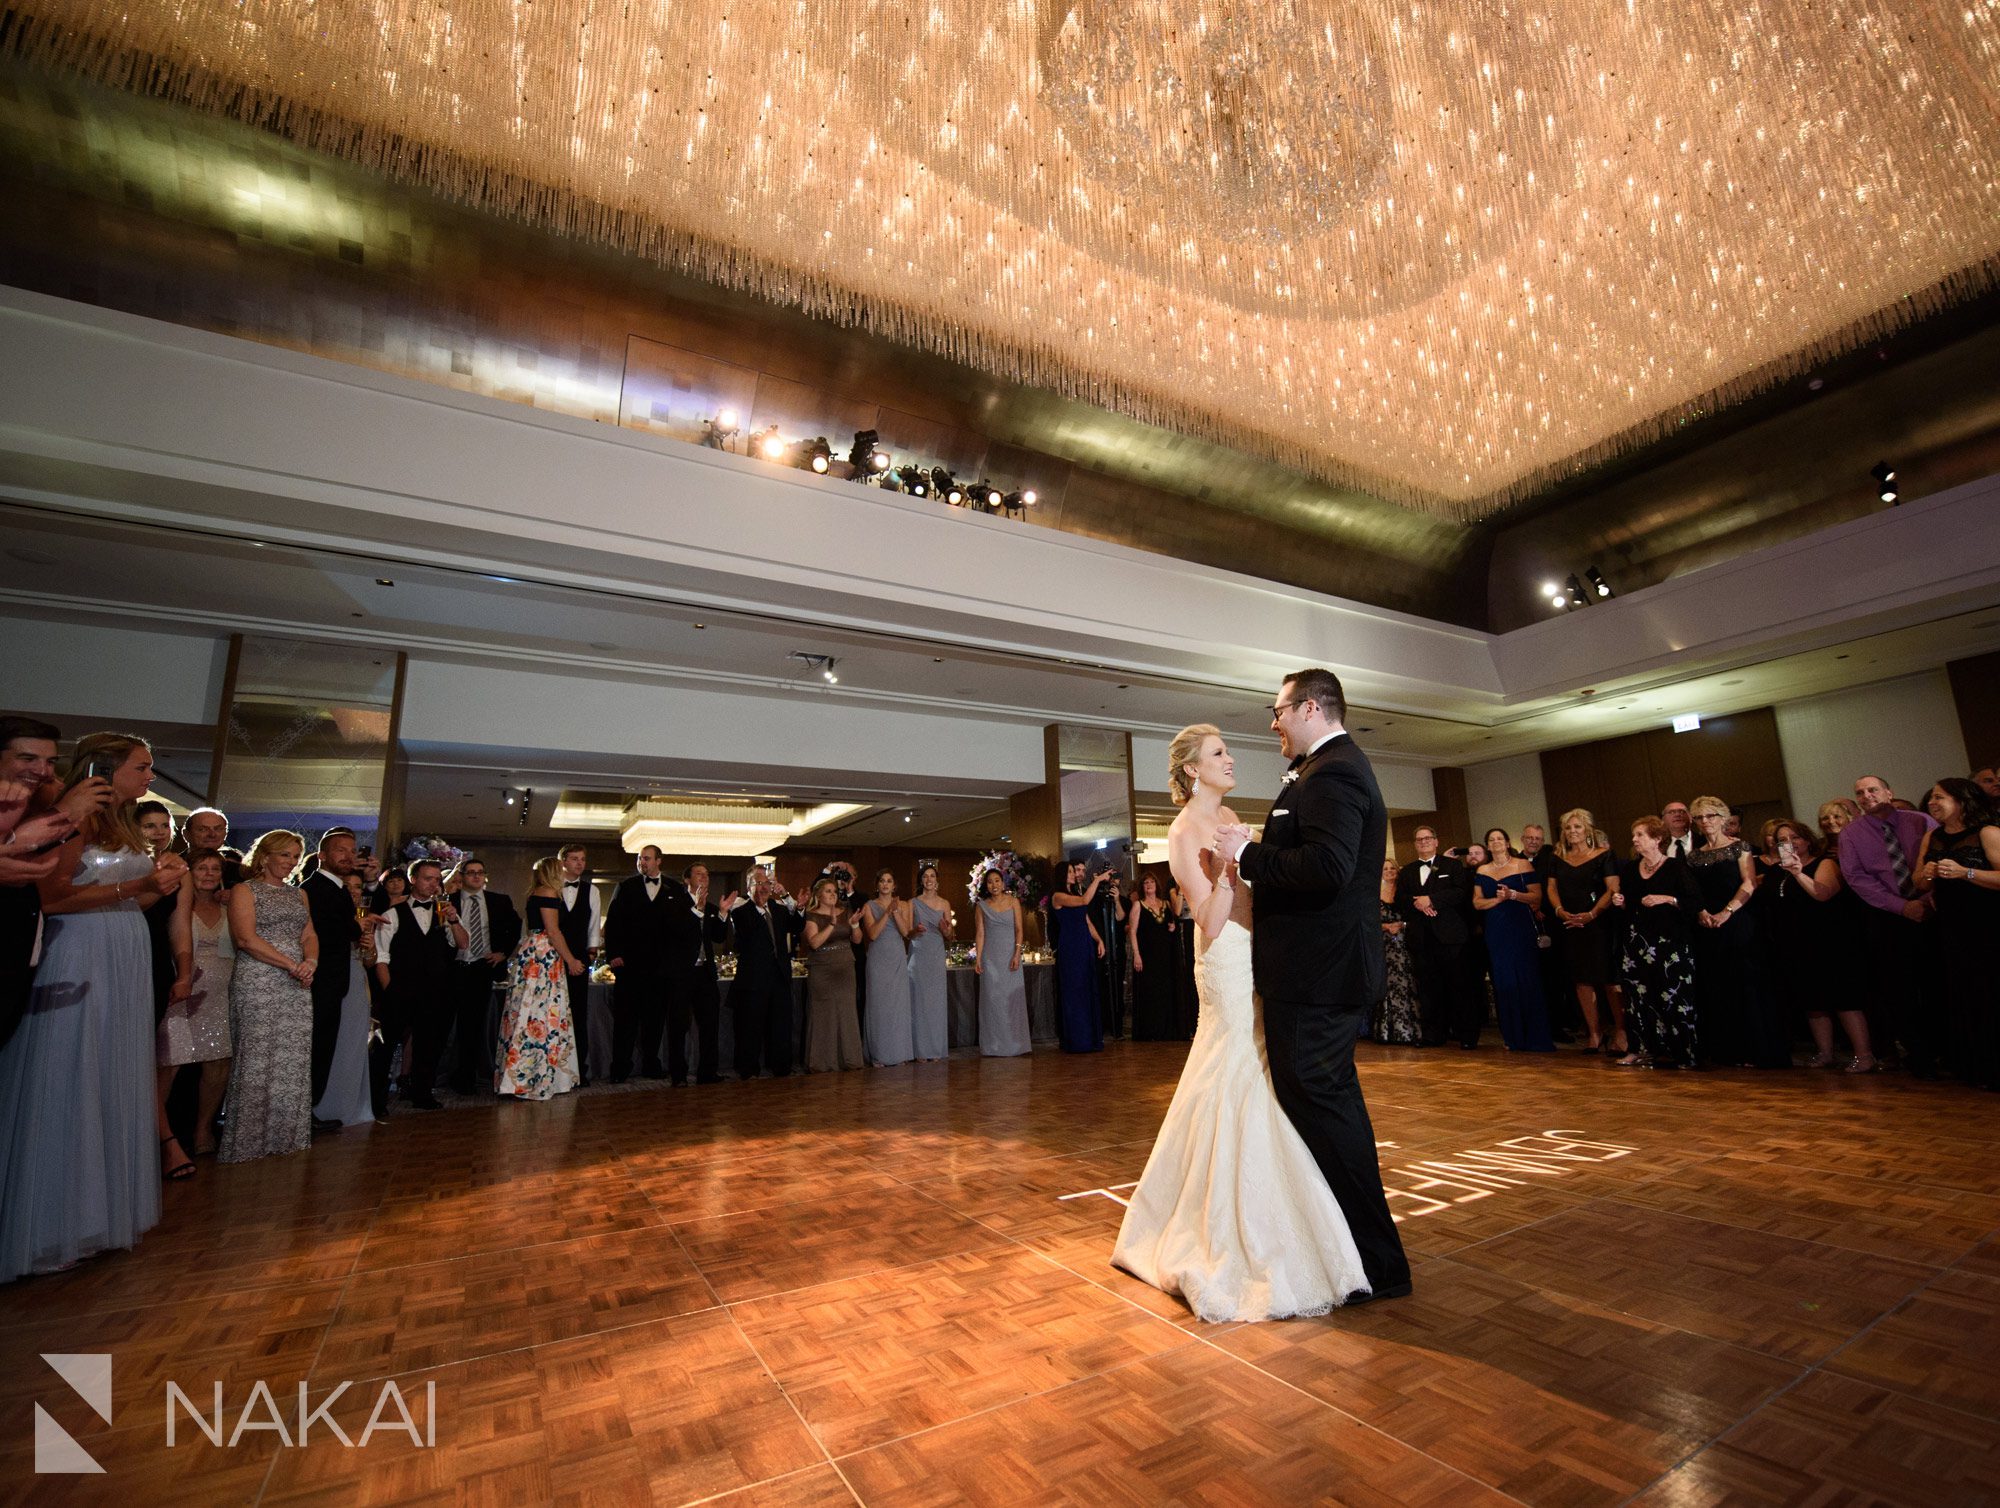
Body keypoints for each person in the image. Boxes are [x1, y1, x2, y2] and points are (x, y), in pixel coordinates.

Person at [1115, 721, 1371, 1320]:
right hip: (1226, 962)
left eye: (1227, 751)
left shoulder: (1232, 822)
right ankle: (1228, 1224)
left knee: (1267, 1074)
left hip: (1261, 956)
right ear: (1191, 771)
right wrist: (1231, 872)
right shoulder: (1182, 831)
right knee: (1235, 1075)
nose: (1232, 760)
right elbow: (1205, 917)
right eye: (1219, 753)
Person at [1215, 668, 1412, 1303]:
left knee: (1323, 1107)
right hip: (1313, 971)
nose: (1271, 722)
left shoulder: (1337, 771)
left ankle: (1376, 1261)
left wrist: (1247, 855)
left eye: (1277, 711)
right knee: (1323, 1105)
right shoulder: (1319, 771)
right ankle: (1350, 1250)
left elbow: (1327, 868)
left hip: (1320, 974)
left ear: (1308, 708)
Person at [0, 733, 183, 1281]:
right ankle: (51, 1225)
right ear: (106, 770)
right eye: (142, 767)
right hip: (78, 954)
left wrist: (158, 885)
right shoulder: (74, 821)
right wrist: (139, 888)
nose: (150, 778)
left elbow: (137, 894)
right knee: (73, 1072)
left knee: (110, 1073)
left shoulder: (124, 825)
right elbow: (52, 898)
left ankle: (93, 1217)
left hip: (122, 950)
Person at [220, 829, 317, 1161]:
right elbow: (245, 939)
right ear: (265, 856)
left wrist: (310, 962)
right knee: (257, 1058)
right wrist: (291, 965)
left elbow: (309, 933)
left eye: (295, 856)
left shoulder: (298, 895)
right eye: (285, 855)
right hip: (259, 979)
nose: (290, 862)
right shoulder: (244, 890)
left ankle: (285, 1138)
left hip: (297, 982)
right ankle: (248, 1144)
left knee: (292, 1059)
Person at [1842, 775, 1941, 1075]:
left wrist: (1925, 901)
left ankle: (1947, 1049)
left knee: (1937, 984)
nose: (1866, 796)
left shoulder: (1920, 821)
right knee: (1900, 990)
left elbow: (1942, 857)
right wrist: (1902, 906)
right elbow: (1857, 877)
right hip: (1887, 917)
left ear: (1888, 791)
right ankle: (1919, 1056)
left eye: (1872, 790)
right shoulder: (1851, 833)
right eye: (1860, 792)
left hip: (1932, 910)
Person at [1763, 818, 1875, 1072]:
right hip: (1796, 943)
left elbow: (1822, 894)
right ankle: (1825, 1053)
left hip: (1828, 941)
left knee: (1844, 1000)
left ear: (1808, 840)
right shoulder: (1778, 870)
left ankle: (1864, 1055)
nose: (1789, 843)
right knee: (1813, 1002)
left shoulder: (1824, 863)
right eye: (1782, 840)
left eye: (1794, 838)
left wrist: (1797, 872)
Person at [0, 716, 81, 1050]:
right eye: (28, 758)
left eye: (49, 762)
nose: (44, 771)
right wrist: (65, 812)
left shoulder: (28, 804)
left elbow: (39, 866)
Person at [1685, 795, 1785, 1068]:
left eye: (1711, 816)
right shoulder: (1693, 856)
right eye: (1700, 817)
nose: (1705, 822)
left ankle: (1756, 1049)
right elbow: (1691, 891)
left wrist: (1726, 912)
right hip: (1707, 925)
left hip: (1738, 920)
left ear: (1723, 818)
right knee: (1718, 985)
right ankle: (1729, 1049)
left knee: (1746, 984)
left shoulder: (1739, 847)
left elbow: (1749, 883)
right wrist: (1702, 913)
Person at [1914, 779, 2000, 1088]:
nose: (1932, 802)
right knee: (1965, 996)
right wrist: (1925, 874)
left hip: (1989, 927)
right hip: (1951, 928)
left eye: (1940, 797)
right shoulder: (1932, 837)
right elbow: (1919, 883)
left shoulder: (1987, 833)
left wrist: (1967, 873)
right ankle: (1976, 1067)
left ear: (1962, 800)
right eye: (1932, 797)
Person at [371, 859, 468, 1113]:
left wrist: (455, 920)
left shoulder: (444, 913)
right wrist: (390, 991)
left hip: (435, 992)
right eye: (428, 878)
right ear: (413, 879)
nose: (433, 884)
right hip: (399, 990)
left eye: (437, 879)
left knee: (428, 1045)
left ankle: (422, 1094)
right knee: (387, 1046)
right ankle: (377, 1100)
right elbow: (381, 957)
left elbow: (463, 945)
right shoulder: (393, 913)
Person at [1612, 818, 1703, 1069]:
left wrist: (1667, 898)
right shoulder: (1630, 869)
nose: (1635, 839)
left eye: (1640, 834)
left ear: (1657, 839)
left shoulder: (1675, 867)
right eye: (1634, 835)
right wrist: (1620, 901)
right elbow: (1628, 903)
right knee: (1638, 997)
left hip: (1669, 943)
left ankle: (1684, 1052)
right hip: (1637, 941)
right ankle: (1641, 1049)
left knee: (1674, 996)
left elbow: (1693, 902)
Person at [160, 853, 234, 1156]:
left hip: (220, 992)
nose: (209, 873)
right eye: (201, 868)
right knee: (170, 1060)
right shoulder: (178, 904)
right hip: (184, 988)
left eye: (215, 868)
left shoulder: (229, 906)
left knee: (217, 1062)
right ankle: (159, 1134)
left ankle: (203, 1128)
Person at [135, 800, 195, 1176]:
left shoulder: (180, 867)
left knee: (150, 1056)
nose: (159, 832)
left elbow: (180, 925)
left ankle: (155, 1141)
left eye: (164, 825)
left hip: (157, 961)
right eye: (149, 825)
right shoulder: (125, 863)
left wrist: (184, 972)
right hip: (124, 952)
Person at [497, 856, 580, 1099]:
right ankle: (537, 1075)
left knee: (527, 1010)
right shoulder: (548, 893)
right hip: (543, 956)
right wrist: (571, 960)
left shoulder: (536, 891)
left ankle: (522, 1073)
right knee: (541, 1011)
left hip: (532, 952)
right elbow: (553, 931)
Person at [297, 828, 363, 1132]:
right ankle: (303, 1114)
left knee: (324, 1046)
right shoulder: (316, 888)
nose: (348, 856)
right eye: (340, 850)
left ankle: (308, 1110)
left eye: (352, 850)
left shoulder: (336, 888)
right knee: (315, 1047)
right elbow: (339, 931)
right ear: (322, 855)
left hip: (333, 980)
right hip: (319, 980)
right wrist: (357, 929)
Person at [1548, 808, 1625, 1054]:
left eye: (1577, 827)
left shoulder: (1604, 855)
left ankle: (1622, 1032)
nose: (1572, 832)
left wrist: (1592, 914)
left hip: (1599, 923)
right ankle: (1594, 1032)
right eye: (1568, 828)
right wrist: (1560, 911)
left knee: (1609, 979)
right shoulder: (1557, 857)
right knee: (1581, 979)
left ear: (1588, 830)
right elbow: (1551, 888)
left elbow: (1612, 888)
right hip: (1570, 923)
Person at [1396, 825, 1478, 1048]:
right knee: (1429, 990)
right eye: (1419, 839)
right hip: (1421, 938)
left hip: (1450, 937)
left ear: (1436, 841)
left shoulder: (1452, 865)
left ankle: (1467, 1035)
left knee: (1459, 986)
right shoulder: (1408, 871)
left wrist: (1431, 900)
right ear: (1415, 844)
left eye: (1427, 838)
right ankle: (1434, 1034)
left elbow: (1460, 892)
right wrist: (1419, 904)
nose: (1423, 842)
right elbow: (1400, 899)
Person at [1472, 828, 1554, 1052]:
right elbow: (1477, 903)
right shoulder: (1482, 870)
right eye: (1492, 839)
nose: (1496, 842)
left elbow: (1537, 896)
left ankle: (1536, 1036)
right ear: (1487, 845)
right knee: (1504, 981)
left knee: (1527, 979)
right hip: (1496, 930)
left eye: (1500, 838)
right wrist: (1497, 901)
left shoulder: (1522, 865)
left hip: (1520, 926)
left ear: (1508, 843)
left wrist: (1513, 895)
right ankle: (1513, 1036)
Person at [604, 846, 680, 1082]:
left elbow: (680, 927)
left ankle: (651, 1064)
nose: (642, 862)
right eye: (639, 859)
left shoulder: (674, 889)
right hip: (630, 966)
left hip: (660, 969)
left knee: (654, 1021)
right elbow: (613, 922)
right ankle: (620, 1068)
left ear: (659, 861)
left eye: (646, 859)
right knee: (625, 1021)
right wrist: (614, 953)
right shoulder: (626, 887)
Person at [444, 857, 518, 1094]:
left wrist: (503, 953)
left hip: (481, 968)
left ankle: (467, 1079)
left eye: (480, 872)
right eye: (471, 873)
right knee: (443, 1025)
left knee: (473, 1027)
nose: (476, 876)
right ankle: (436, 1077)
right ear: (462, 876)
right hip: (452, 968)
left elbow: (515, 927)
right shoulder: (449, 901)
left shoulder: (499, 901)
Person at [730, 869, 802, 1077]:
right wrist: (759, 905)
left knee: (780, 1025)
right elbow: (745, 938)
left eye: (767, 883)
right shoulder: (741, 911)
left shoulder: (779, 909)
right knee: (750, 1027)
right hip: (753, 980)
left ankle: (781, 1066)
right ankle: (748, 1069)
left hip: (779, 977)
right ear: (749, 887)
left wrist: (789, 897)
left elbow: (798, 925)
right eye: (757, 883)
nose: (763, 887)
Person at [670, 863, 733, 1085]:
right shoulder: (675, 903)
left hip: (705, 974)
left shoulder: (712, 907)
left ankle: (708, 1072)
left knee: (709, 1024)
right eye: (699, 874)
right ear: (687, 879)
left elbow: (717, 938)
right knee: (679, 1025)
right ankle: (678, 1075)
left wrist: (723, 914)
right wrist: (696, 909)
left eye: (707, 874)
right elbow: (676, 934)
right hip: (682, 974)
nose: (704, 878)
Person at [801, 877, 864, 1072]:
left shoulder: (846, 911)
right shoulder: (811, 915)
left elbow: (858, 940)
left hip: (845, 967)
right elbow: (814, 943)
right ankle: (822, 1062)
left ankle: (850, 1059)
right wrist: (831, 925)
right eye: (828, 891)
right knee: (823, 1015)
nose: (833, 894)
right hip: (822, 969)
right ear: (819, 895)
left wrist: (854, 925)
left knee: (846, 1013)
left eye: (834, 891)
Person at [552, 845, 602, 1085]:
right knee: (553, 1013)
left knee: (578, 1014)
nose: (579, 864)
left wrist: (591, 951)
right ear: (563, 861)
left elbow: (594, 923)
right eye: (574, 859)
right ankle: (552, 1069)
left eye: (583, 859)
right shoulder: (550, 888)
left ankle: (579, 1070)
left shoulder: (591, 890)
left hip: (580, 956)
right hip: (551, 957)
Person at [859, 868, 915, 1067]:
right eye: (882, 881)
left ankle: (898, 1052)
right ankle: (879, 1053)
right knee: (879, 1005)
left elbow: (906, 932)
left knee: (898, 1006)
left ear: (894, 885)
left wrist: (896, 911)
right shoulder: (868, 906)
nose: (885, 884)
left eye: (889, 881)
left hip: (897, 957)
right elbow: (872, 934)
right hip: (877, 958)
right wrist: (887, 913)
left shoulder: (904, 905)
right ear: (877, 885)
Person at [1049, 859, 1107, 1052]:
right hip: (1071, 946)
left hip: (1084, 943)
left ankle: (1090, 1038)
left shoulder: (1075, 892)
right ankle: (1076, 1039)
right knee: (1074, 992)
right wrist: (1097, 880)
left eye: (1073, 871)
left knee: (1087, 988)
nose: (1074, 874)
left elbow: (1087, 921)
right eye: (1070, 871)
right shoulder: (1057, 896)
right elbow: (1084, 902)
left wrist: (1099, 940)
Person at [974, 867, 1031, 1056]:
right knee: (993, 1000)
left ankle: (1016, 1045)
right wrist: (979, 958)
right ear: (986, 886)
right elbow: (980, 933)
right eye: (990, 881)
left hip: (1010, 956)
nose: (994, 884)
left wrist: (1017, 953)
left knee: (1011, 1000)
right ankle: (993, 1045)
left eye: (997, 880)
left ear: (1003, 882)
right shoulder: (981, 905)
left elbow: (1019, 929)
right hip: (991, 958)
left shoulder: (1013, 902)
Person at [1373, 858, 1422, 1044]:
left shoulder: (1405, 893)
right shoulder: (1374, 894)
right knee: (1387, 985)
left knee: (1409, 983)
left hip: (1406, 943)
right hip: (1384, 945)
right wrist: (1386, 927)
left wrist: (1403, 924)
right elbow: (1369, 922)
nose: (1389, 871)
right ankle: (1389, 1032)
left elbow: (1416, 916)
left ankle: (1410, 1031)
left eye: (1392, 868)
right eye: (1385, 868)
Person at [1126, 871, 1178, 1041]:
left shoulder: (1166, 904)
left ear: (1157, 885)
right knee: (1150, 993)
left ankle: (1165, 1029)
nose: (1149, 885)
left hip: (1164, 955)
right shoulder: (1138, 905)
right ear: (1142, 887)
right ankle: (1150, 1031)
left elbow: (1172, 922)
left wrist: (1171, 928)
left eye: (1152, 882)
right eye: (1146, 883)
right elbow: (1132, 932)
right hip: (1147, 956)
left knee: (1165, 991)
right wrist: (1137, 955)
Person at [907, 864, 951, 1060]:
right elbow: (907, 933)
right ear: (921, 880)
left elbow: (951, 935)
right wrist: (915, 930)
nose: (929, 879)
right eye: (925, 876)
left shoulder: (944, 904)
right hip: (918, 955)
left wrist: (945, 930)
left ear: (937, 880)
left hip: (935, 954)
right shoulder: (912, 903)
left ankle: (935, 1050)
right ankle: (919, 1051)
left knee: (935, 1003)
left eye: (932, 876)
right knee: (918, 1002)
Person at [1091, 868, 1129, 1039]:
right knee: (1101, 987)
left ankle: (1117, 1028)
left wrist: (1116, 900)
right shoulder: (1096, 901)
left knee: (1117, 988)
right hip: (1101, 951)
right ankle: (1102, 1024)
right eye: (1109, 878)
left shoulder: (1124, 901)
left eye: (1115, 879)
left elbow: (1120, 918)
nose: (1112, 882)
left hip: (1117, 950)